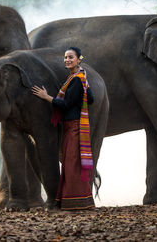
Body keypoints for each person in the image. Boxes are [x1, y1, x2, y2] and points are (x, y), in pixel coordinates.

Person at [32, 47, 95, 211]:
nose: (67, 60)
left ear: (79, 59)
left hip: (74, 126)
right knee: (70, 163)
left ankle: (78, 202)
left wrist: (47, 98)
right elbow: (91, 99)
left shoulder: (77, 79)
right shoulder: (78, 78)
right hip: (71, 126)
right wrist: (85, 87)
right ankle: (72, 201)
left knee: (71, 164)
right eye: (65, 57)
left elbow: (66, 104)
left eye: (71, 57)